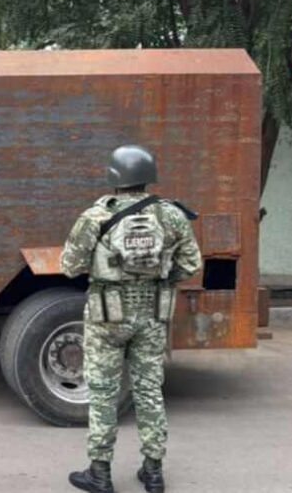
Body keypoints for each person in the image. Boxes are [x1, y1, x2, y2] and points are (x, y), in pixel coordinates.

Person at [61, 145, 202, 493]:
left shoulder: (96, 216)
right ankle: (153, 472)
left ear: (114, 177)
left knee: (104, 392)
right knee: (149, 390)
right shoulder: (171, 215)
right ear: (148, 177)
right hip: (153, 314)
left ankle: (100, 473)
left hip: (107, 315)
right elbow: (191, 263)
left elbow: (70, 266)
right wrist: (160, 279)